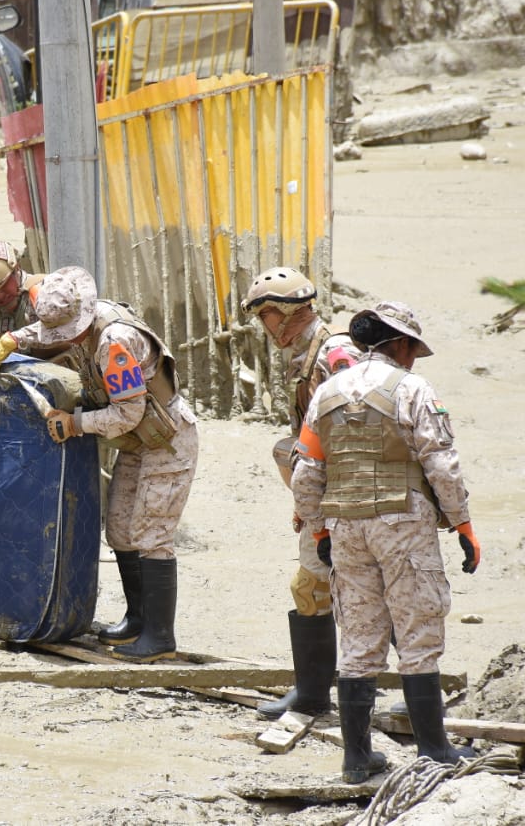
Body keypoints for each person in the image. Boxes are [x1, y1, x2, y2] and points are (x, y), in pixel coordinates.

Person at [291, 301, 479, 784]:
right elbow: (440, 463)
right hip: (402, 521)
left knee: (358, 637)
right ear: (399, 344)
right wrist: (463, 525)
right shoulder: (413, 389)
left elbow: (306, 472)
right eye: (414, 348)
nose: (415, 357)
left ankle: (357, 759)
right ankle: (435, 751)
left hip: (347, 527)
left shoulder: (327, 392)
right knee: (418, 631)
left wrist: (318, 530)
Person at [0, 265, 199, 662]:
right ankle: (137, 619)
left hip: (164, 440)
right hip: (138, 440)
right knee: (121, 530)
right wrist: (8, 340)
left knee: (152, 535)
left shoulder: (115, 342)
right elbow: (45, 329)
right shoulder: (84, 320)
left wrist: (74, 424)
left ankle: (160, 636)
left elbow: (127, 414)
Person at [241, 267, 360, 721]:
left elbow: (350, 436)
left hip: (346, 500)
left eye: (265, 316)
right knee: (314, 588)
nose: (263, 327)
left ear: (284, 313)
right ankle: (312, 693)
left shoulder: (334, 354)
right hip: (324, 496)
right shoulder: (309, 352)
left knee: (362, 592)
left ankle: (404, 693)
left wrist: (325, 510)